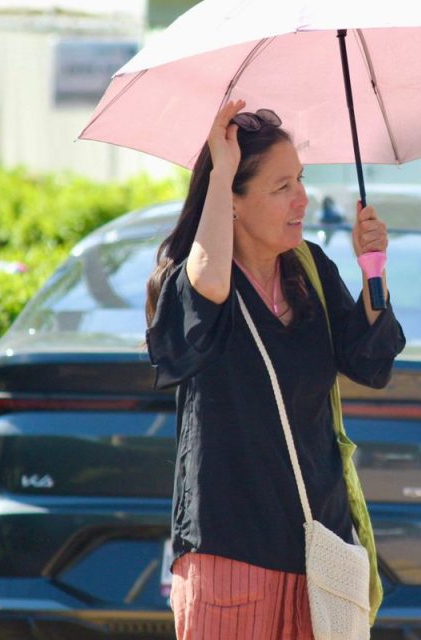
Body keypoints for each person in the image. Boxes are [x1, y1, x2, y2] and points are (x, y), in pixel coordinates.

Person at [144, 100, 405, 638]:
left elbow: (370, 363)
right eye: (281, 186)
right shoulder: (189, 282)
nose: (302, 200)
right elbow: (208, 292)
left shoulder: (309, 267)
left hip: (319, 546)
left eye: (301, 181)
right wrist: (220, 169)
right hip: (231, 550)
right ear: (232, 201)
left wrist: (373, 271)